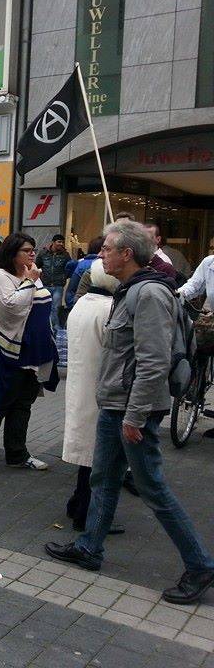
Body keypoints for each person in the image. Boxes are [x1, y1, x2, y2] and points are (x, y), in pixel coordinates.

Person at [46, 221, 214, 605]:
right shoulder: (131, 289)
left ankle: (200, 564)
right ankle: (90, 547)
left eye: (107, 249)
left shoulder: (150, 294)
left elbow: (153, 362)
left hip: (130, 411)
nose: (100, 254)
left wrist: (135, 417)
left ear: (127, 254)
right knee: (103, 479)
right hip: (115, 407)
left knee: (152, 487)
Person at [0, 232, 58, 477]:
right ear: (12, 252)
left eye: (33, 251)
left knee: (22, 404)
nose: (33, 255)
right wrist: (30, 281)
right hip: (6, 350)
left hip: (33, 352)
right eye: (27, 250)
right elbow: (12, 305)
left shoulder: (31, 273)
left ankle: (17, 454)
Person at [62, 260, 119, 531]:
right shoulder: (110, 309)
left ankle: (78, 504)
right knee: (99, 457)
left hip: (80, 387)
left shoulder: (81, 304)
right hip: (102, 390)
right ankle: (86, 513)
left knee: (87, 456)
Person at [36, 234, 71, 330]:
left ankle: (55, 327)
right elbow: (36, 266)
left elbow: (69, 268)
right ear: (53, 242)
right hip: (45, 284)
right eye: (59, 242)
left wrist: (63, 277)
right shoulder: (43, 253)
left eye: (62, 242)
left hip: (58, 286)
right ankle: (46, 326)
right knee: (45, 307)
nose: (61, 244)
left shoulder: (65, 255)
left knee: (55, 308)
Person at [65, 236, 104, 309]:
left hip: (78, 305)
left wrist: (71, 305)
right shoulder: (105, 265)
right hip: (98, 307)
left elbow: (72, 289)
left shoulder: (80, 263)